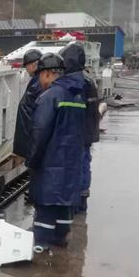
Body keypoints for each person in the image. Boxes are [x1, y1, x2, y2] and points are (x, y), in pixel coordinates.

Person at [27, 53, 86, 250]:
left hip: (51, 162)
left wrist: (32, 160)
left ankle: (41, 244)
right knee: (64, 203)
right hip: (71, 162)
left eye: (39, 76)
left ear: (46, 74)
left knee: (47, 204)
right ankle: (60, 237)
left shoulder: (49, 97)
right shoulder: (77, 95)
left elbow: (39, 131)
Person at [60, 43, 101, 213]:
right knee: (84, 163)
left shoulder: (78, 82)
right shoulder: (88, 80)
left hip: (79, 132)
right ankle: (82, 196)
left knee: (79, 164)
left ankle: (77, 199)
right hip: (88, 130)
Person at [13, 49, 43, 159]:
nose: (26, 69)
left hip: (33, 139)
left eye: (26, 66)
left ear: (33, 65)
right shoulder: (38, 81)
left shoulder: (37, 83)